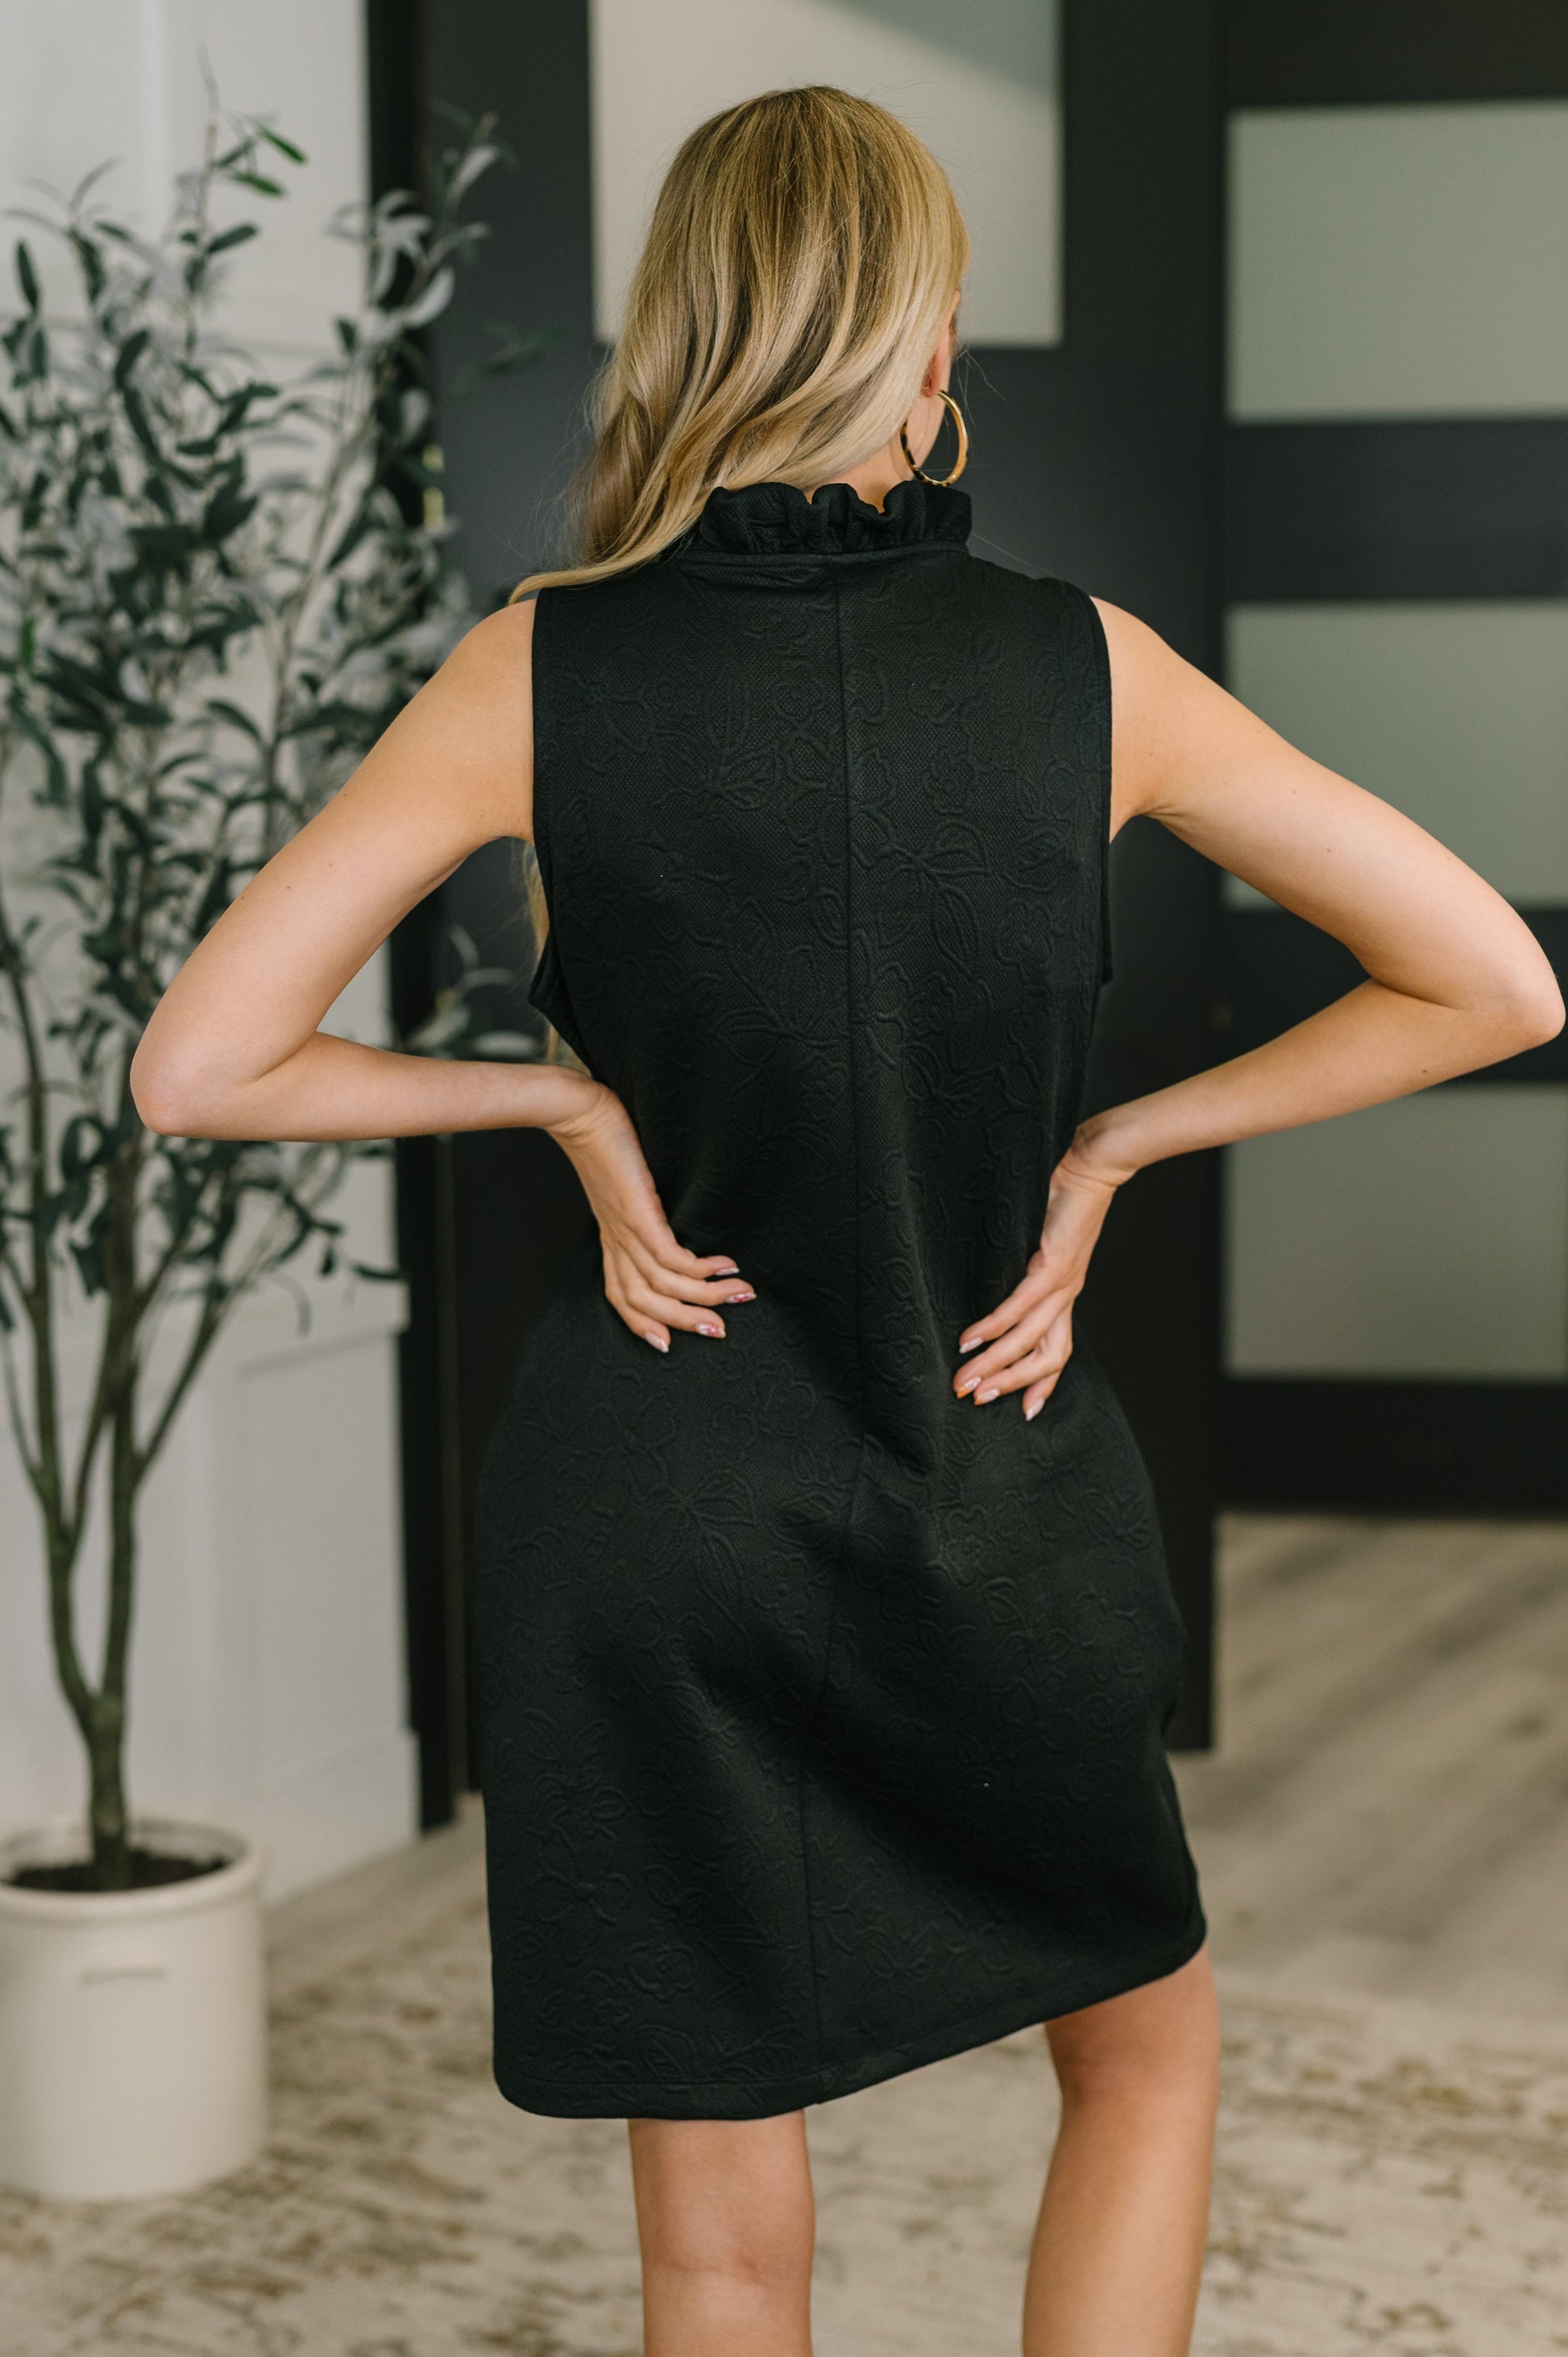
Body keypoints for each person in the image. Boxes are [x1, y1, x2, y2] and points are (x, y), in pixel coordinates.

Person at [132, 83, 1562, 2357]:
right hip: (991, 1477)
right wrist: (1114, 1151)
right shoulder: (1090, 667)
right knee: (1142, 2059)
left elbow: (198, 1066)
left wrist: (555, 1106)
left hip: (655, 1497)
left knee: (718, 2240)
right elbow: (1493, 981)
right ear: (928, 337)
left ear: (688, 326)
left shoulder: (534, 670)